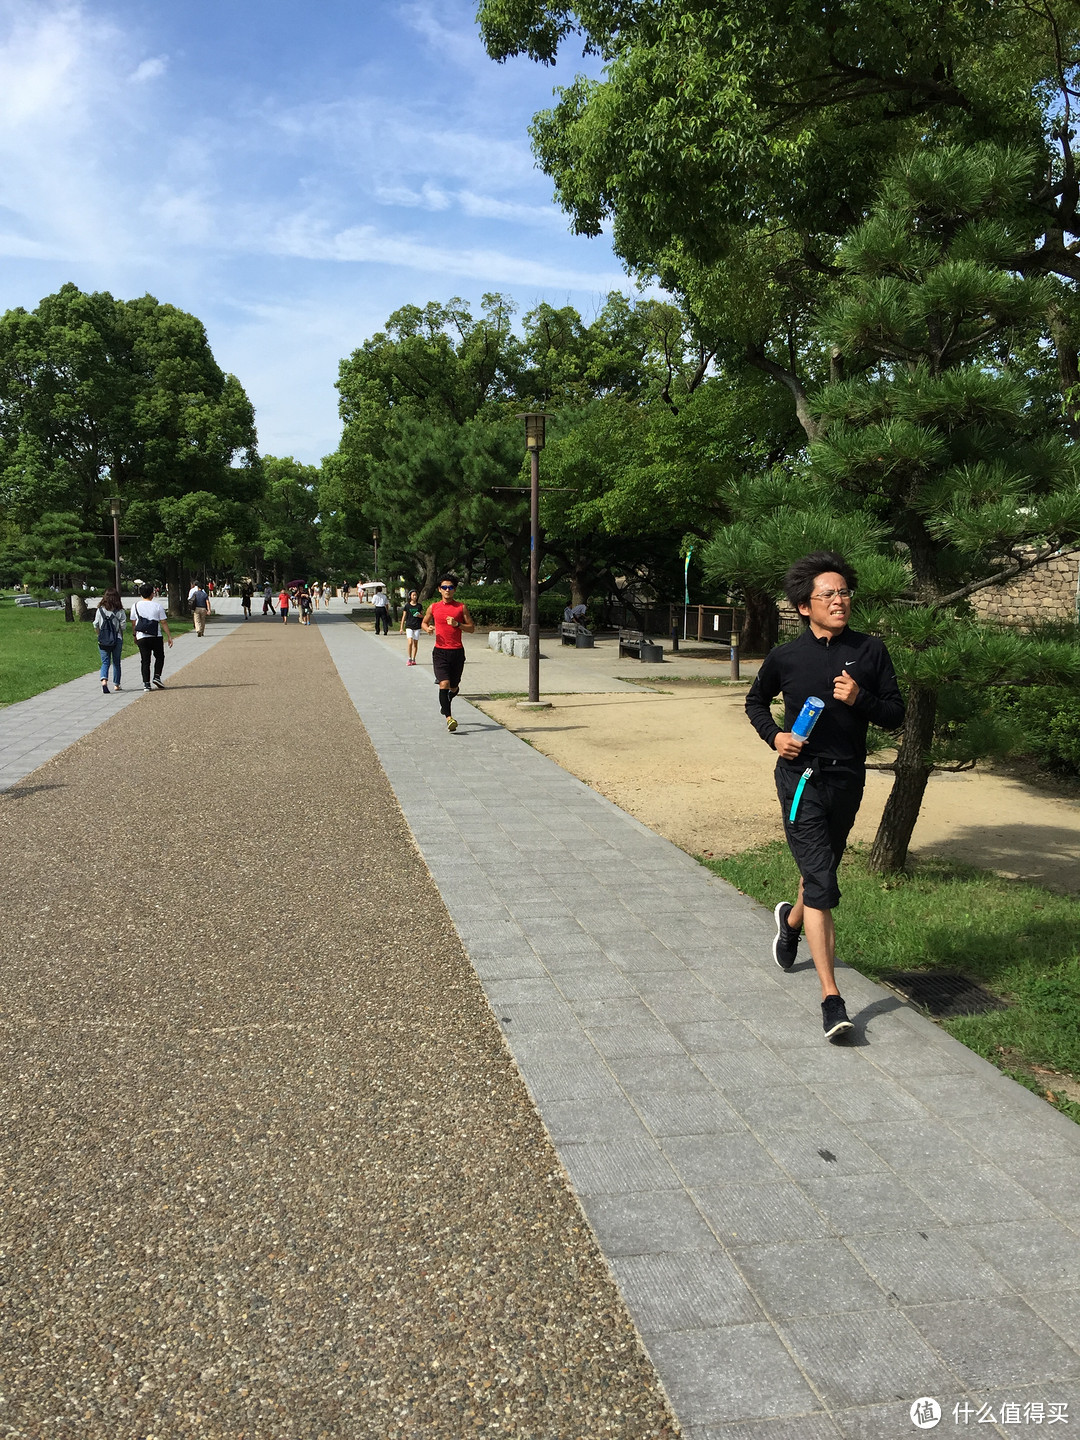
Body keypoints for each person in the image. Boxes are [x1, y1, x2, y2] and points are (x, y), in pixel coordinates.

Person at [744, 551, 905, 1042]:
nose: (840, 600)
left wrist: (862, 700)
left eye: (844, 592)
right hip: (801, 779)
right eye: (828, 594)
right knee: (822, 883)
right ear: (803, 607)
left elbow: (895, 714)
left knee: (821, 874)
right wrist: (775, 736)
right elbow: (755, 701)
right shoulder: (786, 657)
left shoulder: (871, 651)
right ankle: (831, 999)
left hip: (847, 778)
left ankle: (790, 922)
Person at [422, 576, 474, 732]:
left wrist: (458, 624)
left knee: (454, 687)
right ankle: (449, 718)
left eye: (450, 587)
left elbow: (471, 628)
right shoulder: (433, 607)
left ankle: (446, 701)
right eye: (444, 587)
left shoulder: (461, 607)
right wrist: (427, 628)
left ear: (455, 590)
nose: (447, 590)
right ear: (439, 589)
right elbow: (424, 622)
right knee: (443, 683)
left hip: (457, 652)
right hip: (440, 651)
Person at [130, 582, 173, 691]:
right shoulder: (157, 606)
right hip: (156, 635)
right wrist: (169, 636)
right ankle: (157, 676)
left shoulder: (135, 606)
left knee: (145, 660)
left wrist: (135, 635)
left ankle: (146, 684)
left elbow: (134, 622)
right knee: (159, 657)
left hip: (142, 636)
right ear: (152, 594)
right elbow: (163, 622)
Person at [94, 587, 126, 694]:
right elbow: (123, 626)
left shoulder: (100, 610)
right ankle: (116, 684)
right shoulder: (120, 611)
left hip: (103, 640)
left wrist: (99, 634)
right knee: (116, 662)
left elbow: (96, 624)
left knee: (105, 662)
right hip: (117, 639)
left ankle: (104, 681)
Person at [400, 589, 424, 666]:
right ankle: (409, 658)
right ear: (410, 596)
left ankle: (413, 658)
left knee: (415, 643)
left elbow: (422, 616)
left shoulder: (419, 606)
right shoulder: (407, 606)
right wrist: (401, 627)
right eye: (413, 595)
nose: (415, 597)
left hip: (417, 626)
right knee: (410, 642)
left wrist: (420, 616)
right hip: (409, 626)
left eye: (416, 595)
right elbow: (404, 617)